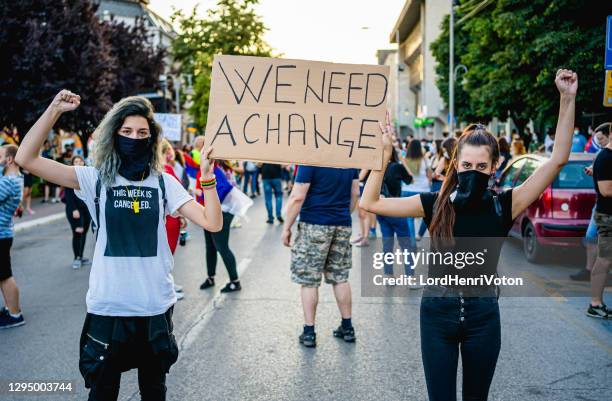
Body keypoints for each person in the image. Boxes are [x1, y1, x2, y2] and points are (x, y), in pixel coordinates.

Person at [360, 69, 577, 400]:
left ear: (493, 168)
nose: (472, 172)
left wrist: (567, 98)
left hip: (483, 317)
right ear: (455, 165)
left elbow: (558, 158)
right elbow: (370, 201)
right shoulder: (433, 204)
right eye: (466, 166)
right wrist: (381, 155)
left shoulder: (505, 204)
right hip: (436, 315)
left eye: (480, 167)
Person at [16, 90, 222, 400]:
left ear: (152, 139)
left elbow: (212, 222)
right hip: (109, 307)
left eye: (142, 132)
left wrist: (208, 178)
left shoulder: (163, 182)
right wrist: (54, 110)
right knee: (102, 392)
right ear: (114, 135)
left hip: (154, 307)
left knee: (154, 393)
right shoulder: (94, 179)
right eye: (126, 131)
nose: (134, 138)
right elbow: (26, 159)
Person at [282, 165, 360, 348]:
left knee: (309, 280)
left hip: (314, 223)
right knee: (340, 276)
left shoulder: (310, 158)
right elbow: (355, 192)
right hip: (342, 223)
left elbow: (298, 196)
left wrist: (286, 228)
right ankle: (347, 327)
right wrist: (343, 214)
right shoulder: (350, 156)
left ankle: (309, 332)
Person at [571, 123, 610, 282]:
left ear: (610, 135)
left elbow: (607, 189)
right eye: (597, 139)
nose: (599, 142)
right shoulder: (603, 155)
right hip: (601, 205)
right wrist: (594, 170)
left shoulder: (607, 155)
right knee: (591, 236)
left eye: (601, 138)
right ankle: (590, 270)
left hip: (605, 206)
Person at [197, 160, 241, 293]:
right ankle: (210, 278)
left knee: (222, 247)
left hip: (221, 211)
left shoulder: (215, 169)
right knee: (210, 246)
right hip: (210, 211)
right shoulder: (215, 168)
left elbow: (224, 189)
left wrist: (205, 196)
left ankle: (235, 282)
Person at [376, 145, 414, 277]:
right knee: (405, 244)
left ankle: (389, 276)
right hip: (395, 207)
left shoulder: (376, 166)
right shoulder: (397, 167)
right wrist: (403, 162)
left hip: (380, 208)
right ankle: (410, 277)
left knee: (387, 244)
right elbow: (410, 179)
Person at [588, 120, 612, 318]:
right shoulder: (605, 157)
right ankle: (595, 303)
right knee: (604, 260)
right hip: (608, 217)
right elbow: (606, 190)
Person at [0, 144, 25, 329]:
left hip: (1, 234)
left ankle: (15, 314)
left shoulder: (8, 182)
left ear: (8, 160)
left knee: (5, 275)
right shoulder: (15, 178)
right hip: (4, 232)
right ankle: (10, 308)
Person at [160, 139, 187, 301]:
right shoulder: (166, 169)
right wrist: (182, 215)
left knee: (167, 254)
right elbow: (177, 196)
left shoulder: (163, 169)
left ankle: (169, 283)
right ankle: (166, 287)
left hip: (171, 216)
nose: (172, 153)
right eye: (169, 150)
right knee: (167, 254)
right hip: (170, 217)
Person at [64, 155, 92, 270]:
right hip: (75, 209)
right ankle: (76, 258)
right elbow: (68, 195)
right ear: (72, 164)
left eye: (81, 161)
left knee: (84, 232)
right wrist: (74, 209)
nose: (79, 163)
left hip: (86, 209)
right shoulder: (69, 176)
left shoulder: (87, 176)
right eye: (76, 161)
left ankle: (81, 256)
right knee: (78, 232)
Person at [401, 139, 431, 244]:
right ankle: (420, 234)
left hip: (407, 190)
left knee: (409, 218)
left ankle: (412, 242)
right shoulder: (425, 160)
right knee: (428, 215)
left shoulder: (404, 160)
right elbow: (429, 176)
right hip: (423, 190)